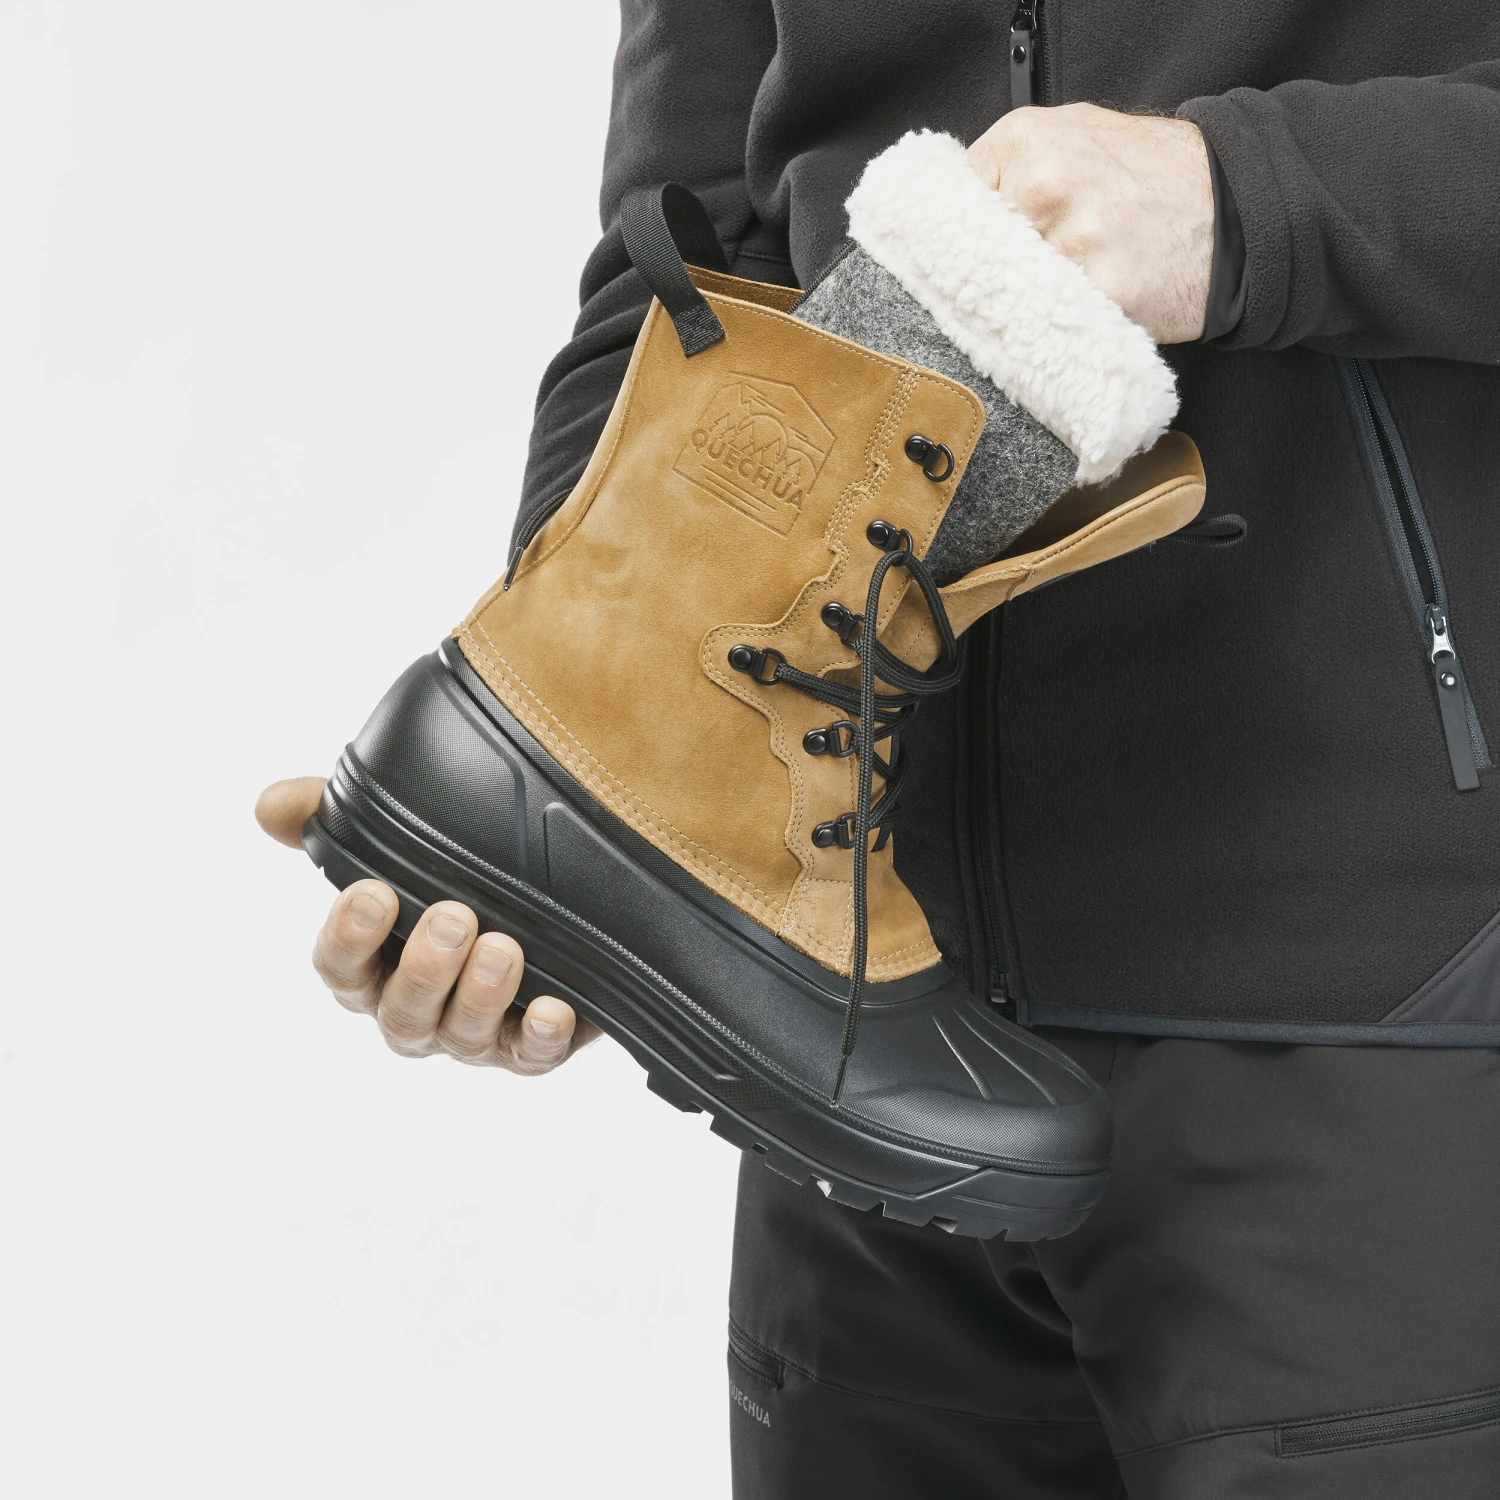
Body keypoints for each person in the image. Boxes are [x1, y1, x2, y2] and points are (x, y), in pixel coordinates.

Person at [258, 4, 1500, 1494]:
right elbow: (682, 264)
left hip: (1375, 1014)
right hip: (841, 1039)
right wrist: (591, 781)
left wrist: (1250, 197)